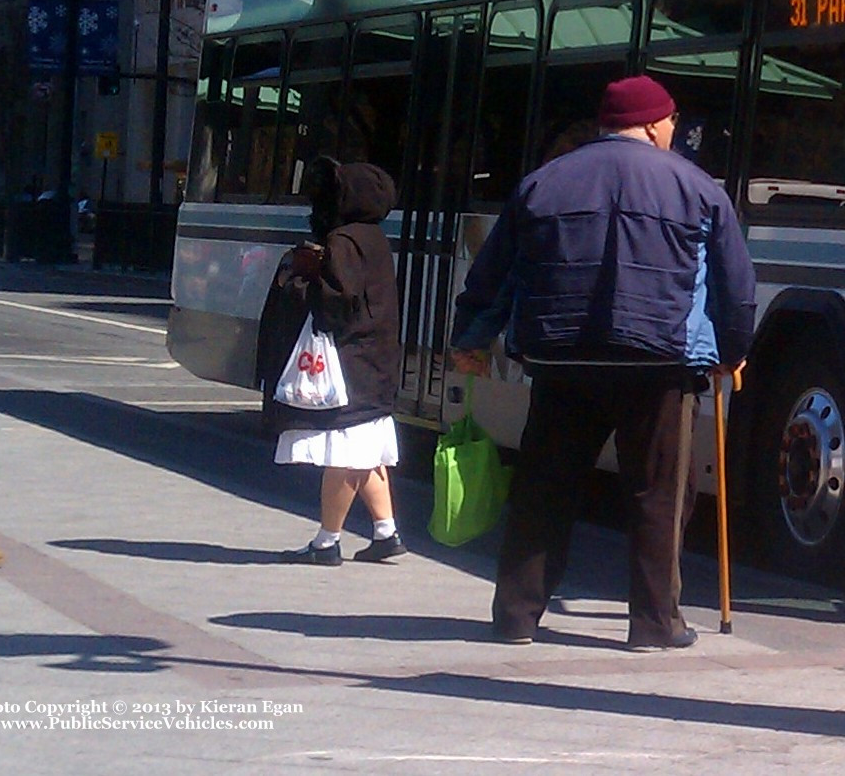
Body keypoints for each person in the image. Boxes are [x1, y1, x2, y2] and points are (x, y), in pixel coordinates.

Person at [449, 75, 755, 651]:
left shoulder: (544, 183)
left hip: (562, 359)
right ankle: (654, 624)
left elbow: (496, 273)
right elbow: (734, 287)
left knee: (545, 485)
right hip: (659, 365)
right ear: (649, 122)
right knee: (659, 494)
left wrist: (472, 338)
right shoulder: (698, 188)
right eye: (670, 122)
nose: (673, 132)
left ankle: (516, 614)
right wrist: (732, 350)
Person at [263, 157, 407, 566]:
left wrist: (303, 277)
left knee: (344, 452)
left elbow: (334, 302)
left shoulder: (343, 240)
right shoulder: (374, 236)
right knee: (369, 448)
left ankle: (327, 542)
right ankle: (385, 531)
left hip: (351, 361)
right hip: (376, 357)